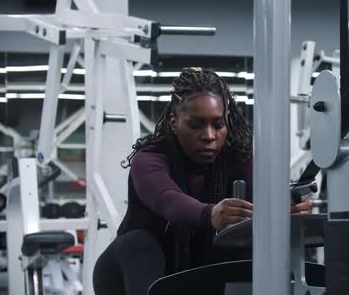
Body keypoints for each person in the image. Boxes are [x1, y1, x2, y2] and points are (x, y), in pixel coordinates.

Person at [92, 67, 311, 295]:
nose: (208, 135)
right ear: (174, 122)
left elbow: (263, 193)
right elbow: (168, 200)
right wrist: (211, 214)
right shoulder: (150, 158)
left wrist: (288, 204)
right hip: (130, 274)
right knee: (138, 244)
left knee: (250, 242)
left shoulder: (240, 158)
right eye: (195, 125)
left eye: (218, 125)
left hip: (200, 275)